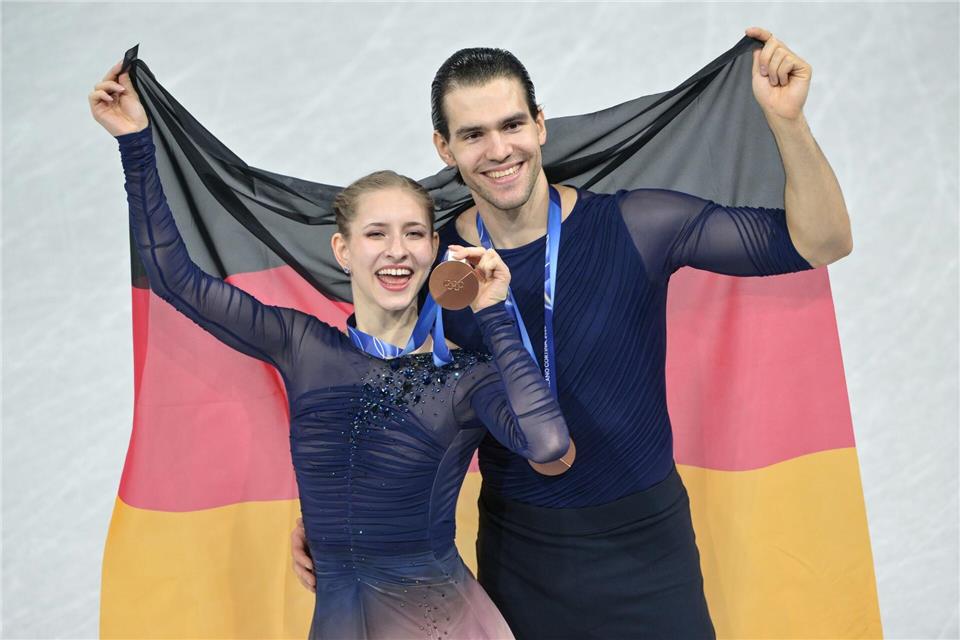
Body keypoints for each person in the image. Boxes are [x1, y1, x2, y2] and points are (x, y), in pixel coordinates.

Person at [286, 26, 853, 639]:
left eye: (511, 125)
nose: (499, 149)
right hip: (521, 559)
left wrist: (788, 123)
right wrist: (337, 517)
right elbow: (373, 391)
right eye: (473, 135)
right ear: (444, 149)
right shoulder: (433, 268)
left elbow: (822, 242)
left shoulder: (639, 226)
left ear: (540, 124)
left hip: (649, 551)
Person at [90, 61, 572, 639]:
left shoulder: (465, 378)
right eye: (376, 234)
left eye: (414, 234)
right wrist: (135, 145)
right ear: (343, 250)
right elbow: (175, 279)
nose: (396, 252)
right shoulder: (302, 345)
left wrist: (493, 308)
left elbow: (548, 444)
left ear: (434, 250)